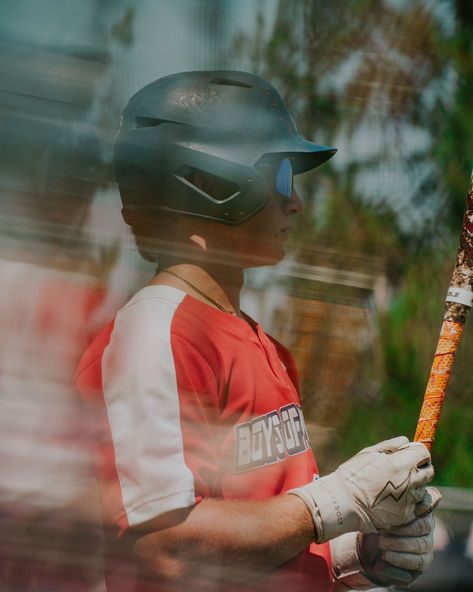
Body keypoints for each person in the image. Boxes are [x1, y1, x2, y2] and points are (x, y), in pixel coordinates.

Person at [75, 70, 440, 592]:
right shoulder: (153, 339)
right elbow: (168, 548)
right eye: (282, 175)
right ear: (211, 182)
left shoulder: (255, 341)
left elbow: (264, 520)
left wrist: (353, 547)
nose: (296, 202)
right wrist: (333, 504)